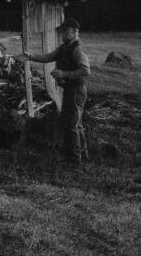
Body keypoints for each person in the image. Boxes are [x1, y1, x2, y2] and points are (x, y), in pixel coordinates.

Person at [15, 17, 91, 165]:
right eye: (62, 30)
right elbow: (49, 57)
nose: (62, 33)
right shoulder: (65, 47)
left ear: (75, 32)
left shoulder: (77, 49)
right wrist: (30, 56)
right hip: (70, 90)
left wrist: (64, 74)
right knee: (75, 124)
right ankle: (82, 155)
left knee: (72, 125)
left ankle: (75, 162)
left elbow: (86, 70)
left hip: (76, 90)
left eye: (66, 31)